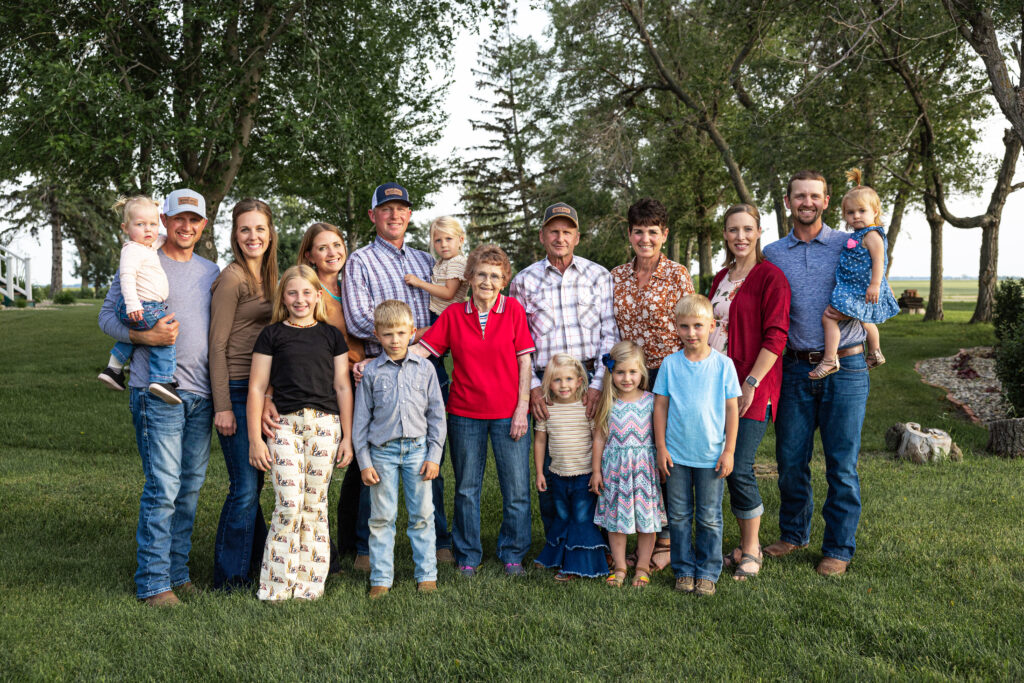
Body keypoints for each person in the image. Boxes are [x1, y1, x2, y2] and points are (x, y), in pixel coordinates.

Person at [98, 188, 220, 607]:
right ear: (164, 221)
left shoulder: (211, 270)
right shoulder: (141, 257)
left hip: (200, 395)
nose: (185, 227)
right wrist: (141, 336)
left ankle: (178, 572)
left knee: (188, 490)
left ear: (203, 226)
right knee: (163, 488)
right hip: (155, 391)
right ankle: (153, 583)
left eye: (194, 220)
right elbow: (106, 317)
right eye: (177, 219)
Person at [762, 170, 870, 577]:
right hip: (793, 367)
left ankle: (838, 548)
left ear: (826, 202)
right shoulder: (773, 253)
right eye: (799, 196)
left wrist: (854, 309)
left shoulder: (850, 243)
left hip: (847, 365)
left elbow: (877, 288)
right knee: (790, 459)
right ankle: (793, 533)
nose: (807, 202)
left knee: (841, 463)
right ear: (788, 201)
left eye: (815, 196)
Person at [342, 183, 452, 570]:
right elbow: (358, 318)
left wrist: (422, 340)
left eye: (401, 209)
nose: (394, 215)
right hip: (379, 370)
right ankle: (365, 547)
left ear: (409, 215)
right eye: (386, 209)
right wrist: (412, 335)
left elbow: (447, 309)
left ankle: (438, 540)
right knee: (372, 453)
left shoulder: (426, 262)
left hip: (426, 367)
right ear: (373, 215)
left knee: (429, 452)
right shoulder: (361, 261)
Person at [418, 244, 535, 577]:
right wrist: (380, 362)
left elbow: (524, 360)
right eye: (481, 273)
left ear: (504, 280)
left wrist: (521, 408)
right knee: (467, 489)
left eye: (495, 275)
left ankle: (513, 553)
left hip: (508, 413)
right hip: (465, 414)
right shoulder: (454, 315)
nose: (487, 280)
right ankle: (468, 554)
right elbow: (424, 351)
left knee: (516, 490)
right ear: (469, 277)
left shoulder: (513, 310)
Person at [509, 202, 619, 537]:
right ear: (542, 236)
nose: (560, 237)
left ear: (577, 237)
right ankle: (556, 537)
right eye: (553, 231)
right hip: (545, 384)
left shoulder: (598, 275)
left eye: (567, 231)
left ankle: (593, 537)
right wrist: (532, 388)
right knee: (554, 453)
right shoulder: (524, 281)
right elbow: (517, 341)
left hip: (589, 379)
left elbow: (609, 332)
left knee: (592, 454)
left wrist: (599, 383)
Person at [264, 223, 367, 570]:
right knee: (302, 486)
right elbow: (290, 354)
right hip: (314, 394)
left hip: (354, 386)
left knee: (351, 472)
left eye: (337, 245)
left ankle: (348, 548)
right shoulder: (305, 291)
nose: (332, 253)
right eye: (322, 248)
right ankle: (309, 556)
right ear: (308, 254)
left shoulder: (352, 286)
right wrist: (268, 394)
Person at [248, 265, 354, 601]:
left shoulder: (331, 336)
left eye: (307, 292)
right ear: (284, 296)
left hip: (325, 425)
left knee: (315, 504)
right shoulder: (272, 335)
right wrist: (255, 438)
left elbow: (342, 385)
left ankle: (310, 584)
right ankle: (277, 585)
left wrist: (348, 437)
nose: (300, 299)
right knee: (289, 503)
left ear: (317, 295)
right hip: (284, 426)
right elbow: (257, 386)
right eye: (292, 293)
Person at [610, 197, 694, 571]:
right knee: (635, 455)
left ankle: (666, 537)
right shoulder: (616, 276)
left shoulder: (678, 275)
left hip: (668, 374)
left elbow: (690, 326)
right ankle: (630, 527)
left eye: (653, 232)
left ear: (665, 234)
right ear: (630, 234)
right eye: (639, 231)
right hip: (629, 378)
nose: (646, 239)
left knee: (664, 456)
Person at [708, 204, 790, 580]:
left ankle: (752, 549)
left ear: (759, 232)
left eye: (747, 229)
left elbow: (776, 336)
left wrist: (751, 383)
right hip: (715, 386)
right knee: (719, 466)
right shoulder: (720, 277)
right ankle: (735, 544)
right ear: (725, 235)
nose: (739, 236)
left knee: (739, 466)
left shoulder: (771, 277)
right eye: (732, 230)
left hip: (751, 386)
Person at [353, 300, 446, 598]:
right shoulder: (371, 373)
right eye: (388, 334)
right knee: (381, 516)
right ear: (377, 335)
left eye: (401, 333)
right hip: (382, 453)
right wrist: (364, 461)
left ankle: (426, 574)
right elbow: (360, 422)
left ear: (412, 333)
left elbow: (436, 417)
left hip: (418, 452)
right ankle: (381, 578)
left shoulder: (426, 369)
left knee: (422, 514)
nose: (395, 340)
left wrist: (434, 456)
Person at [207, 198, 277, 590]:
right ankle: (228, 577)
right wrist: (222, 407)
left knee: (255, 482)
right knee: (245, 486)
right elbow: (216, 346)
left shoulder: (269, 276)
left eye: (260, 229)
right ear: (235, 234)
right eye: (245, 229)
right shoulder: (232, 278)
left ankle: (254, 562)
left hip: (261, 390)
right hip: (235, 387)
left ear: (270, 234)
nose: (253, 236)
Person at [654, 295, 741, 597]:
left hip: (711, 456)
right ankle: (683, 568)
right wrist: (661, 447)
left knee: (709, 516)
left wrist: (729, 450)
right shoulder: (670, 365)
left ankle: (707, 570)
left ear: (712, 327)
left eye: (698, 326)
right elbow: (661, 408)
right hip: (676, 455)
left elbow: (732, 411)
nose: (691, 333)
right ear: (675, 328)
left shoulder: (723, 365)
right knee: (677, 515)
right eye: (685, 327)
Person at [590, 341, 666, 588]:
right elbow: (600, 436)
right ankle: (620, 566)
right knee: (616, 520)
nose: (626, 378)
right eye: (620, 372)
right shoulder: (608, 401)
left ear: (642, 371)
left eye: (632, 372)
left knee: (647, 519)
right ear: (611, 372)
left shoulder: (651, 400)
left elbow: (659, 434)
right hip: (616, 471)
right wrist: (596, 470)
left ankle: (643, 566)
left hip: (644, 469)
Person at [810, 169, 899, 379]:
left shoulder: (872, 235)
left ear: (875, 211)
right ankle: (875, 352)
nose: (856, 216)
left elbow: (879, 261)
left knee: (829, 317)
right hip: (855, 286)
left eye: (861, 210)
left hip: (859, 288)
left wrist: (876, 285)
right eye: (850, 213)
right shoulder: (859, 234)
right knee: (864, 319)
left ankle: (830, 360)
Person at [97, 195, 181, 404]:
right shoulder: (132, 250)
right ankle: (162, 380)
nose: (148, 230)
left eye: (152, 224)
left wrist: (168, 236)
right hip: (142, 305)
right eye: (140, 224)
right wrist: (133, 304)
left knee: (141, 334)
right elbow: (127, 277)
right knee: (166, 332)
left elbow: (160, 238)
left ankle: (113, 369)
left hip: (141, 305)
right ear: (125, 228)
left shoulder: (146, 247)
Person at [533, 354, 607, 582]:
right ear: (547, 383)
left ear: (579, 381)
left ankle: (579, 566)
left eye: (568, 379)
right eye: (557, 380)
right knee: (563, 517)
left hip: (584, 475)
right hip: (558, 475)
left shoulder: (586, 408)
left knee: (581, 518)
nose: (563, 385)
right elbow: (540, 441)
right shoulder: (548, 409)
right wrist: (539, 472)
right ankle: (559, 557)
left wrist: (596, 471)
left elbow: (598, 438)